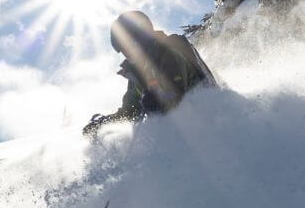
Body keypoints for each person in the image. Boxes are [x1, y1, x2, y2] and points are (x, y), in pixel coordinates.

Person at [83, 10, 216, 136]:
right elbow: (129, 112)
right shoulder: (138, 74)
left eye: (128, 46)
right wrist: (105, 123)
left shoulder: (168, 55)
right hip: (177, 137)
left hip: (206, 124)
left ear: (142, 38)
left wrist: (158, 99)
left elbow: (176, 95)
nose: (127, 54)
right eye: (122, 50)